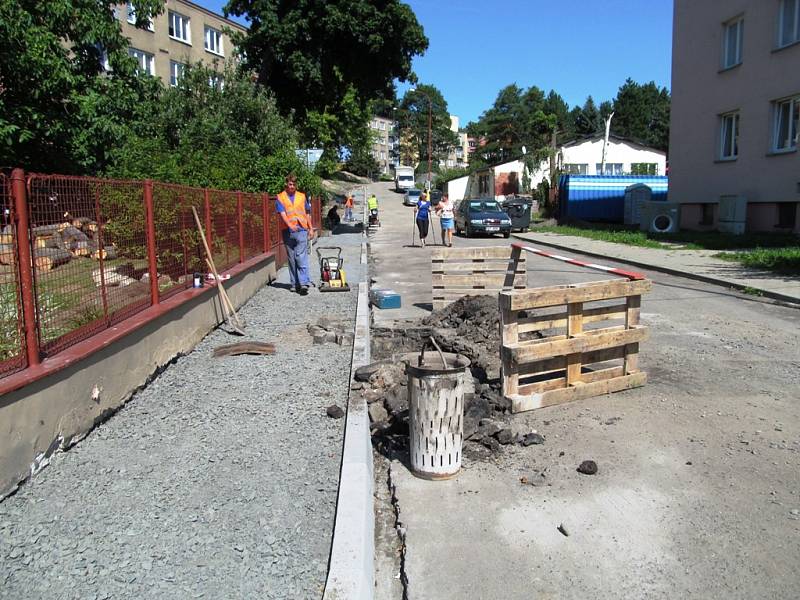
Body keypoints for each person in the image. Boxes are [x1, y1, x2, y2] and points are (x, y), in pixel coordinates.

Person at [276, 174, 315, 294]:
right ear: (286, 184)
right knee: (291, 259)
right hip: (287, 232)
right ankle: (294, 283)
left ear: (296, 185)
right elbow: (282, 213)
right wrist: (290, 225)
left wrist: (310, 228)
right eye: (290, 184)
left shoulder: (302, 197)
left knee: (301, 256)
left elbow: (307, 213)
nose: (291, 186)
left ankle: (303, 283)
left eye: (293, 184)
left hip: (301, 230)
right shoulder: (280, 197)